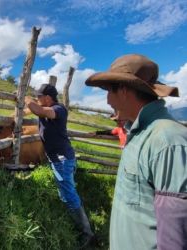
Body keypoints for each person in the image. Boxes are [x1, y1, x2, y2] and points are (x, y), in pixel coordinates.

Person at [85, 54, 187, 250]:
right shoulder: (140, 133)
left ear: (123, 90)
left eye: (108, 91)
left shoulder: (168, 141)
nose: (107, 101)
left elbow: (175, 240)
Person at [24, 83, 94, 248]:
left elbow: (39, 110)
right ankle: (79, 220)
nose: (37, 99)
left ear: (47, 98)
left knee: (68, 194)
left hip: (63, 160)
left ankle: (87, 234)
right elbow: (31, 110)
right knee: (68, 191)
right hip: (60, 158)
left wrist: (25, 97)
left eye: (39, 97)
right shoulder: (46, 108)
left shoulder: (59, 109)